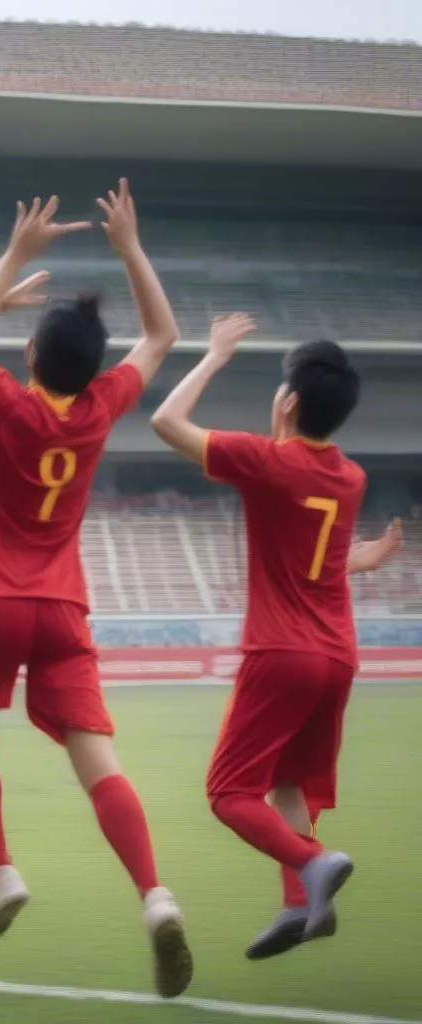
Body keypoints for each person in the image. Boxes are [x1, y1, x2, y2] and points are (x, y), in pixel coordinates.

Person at [0, 182, 192, 999]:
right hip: (62, 605)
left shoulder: (5, 403)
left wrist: (16, 257)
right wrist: (129, 245)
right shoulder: (99, 409)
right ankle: (155, 894)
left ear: (31, 359)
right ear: (88, 370)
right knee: (98, 759)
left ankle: (3, 870)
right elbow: (162, 333)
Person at [151, 313, 399, 960]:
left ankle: (311, 865)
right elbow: (312, 551)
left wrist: (212, 357)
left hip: (282, 652)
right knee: (286, 786)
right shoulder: (350, 478)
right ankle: (298, 903)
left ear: (286, 400)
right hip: (337, 656)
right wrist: (362, 561)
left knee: (228, 792)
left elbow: (165, 422)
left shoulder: (265, 461)